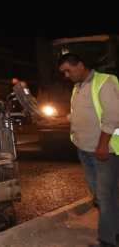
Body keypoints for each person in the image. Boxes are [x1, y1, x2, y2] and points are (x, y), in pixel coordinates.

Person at [39, 53, 119, 247]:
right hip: (84, 149)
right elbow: (75, 115)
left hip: (102, 151)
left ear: (81, 65)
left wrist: (102, 144)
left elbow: (113, 116)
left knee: (105, 196)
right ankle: (114, 231)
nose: (66, 75)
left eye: (68, 70)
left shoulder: (104, 83)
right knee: (100, 194)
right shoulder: (78, 88)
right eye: (63, 72)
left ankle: (107, 240)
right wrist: (55, 121)